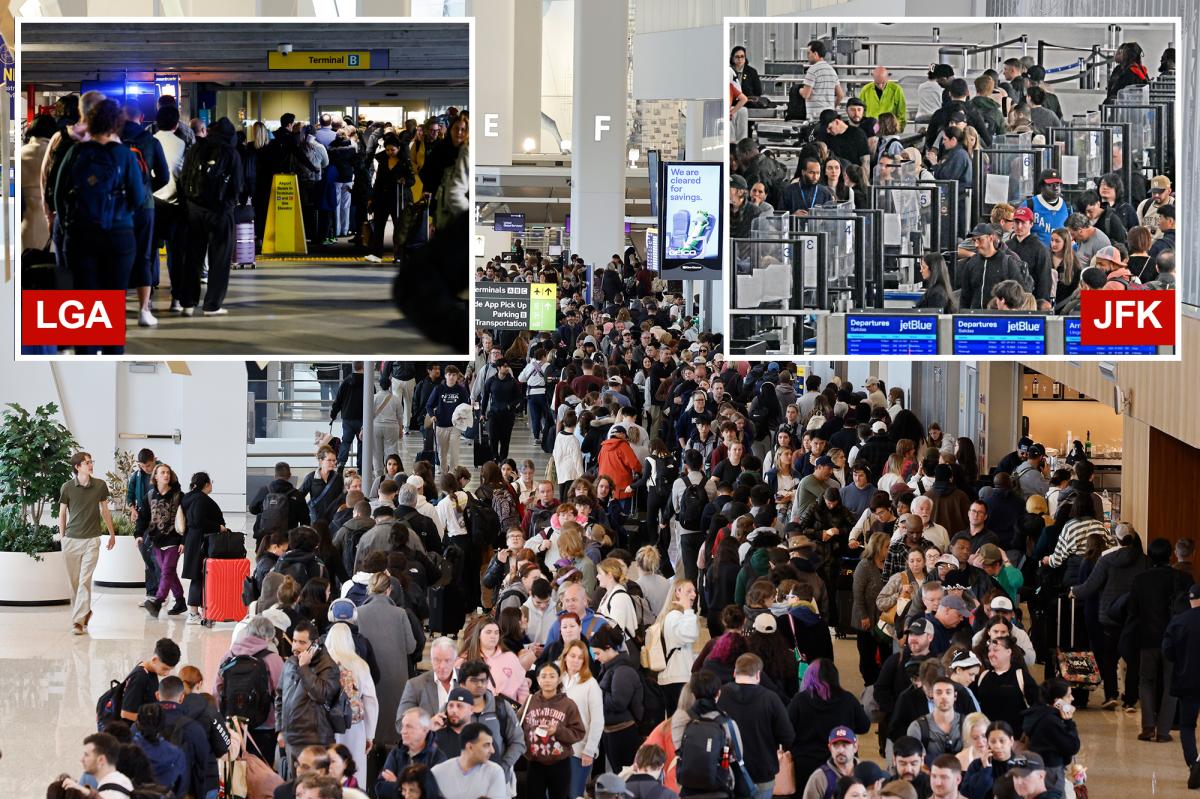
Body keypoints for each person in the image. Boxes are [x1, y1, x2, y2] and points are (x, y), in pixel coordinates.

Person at [53, 98, 147, 351]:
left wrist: (69, 225)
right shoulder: (125, 156)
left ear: (90, 122)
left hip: (81, 236)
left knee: (85, 302)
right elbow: (138, 198)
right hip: (119, 236)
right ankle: (112, 354)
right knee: (113, 300)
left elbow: (58, 195)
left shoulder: (76, 153)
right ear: (117, 124)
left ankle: (86, 355)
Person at [58, 451, 117, 635]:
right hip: (71, 540)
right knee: (74, 583)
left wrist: (112, 533)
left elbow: (105, 511)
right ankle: (85, 613)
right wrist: (63, 537)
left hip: (92, 540)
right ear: (77, 467)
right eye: (87, 463)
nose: (91, 465)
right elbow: (62, 513)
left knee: (84, 581)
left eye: (91, 462)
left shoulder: (100, 485)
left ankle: (77, 622)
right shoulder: (67, 487)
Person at [276, 620, 342, 770]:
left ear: (315, 643)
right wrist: (280, 729)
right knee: (295, 783)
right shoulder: (290, 662)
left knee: (313, 783)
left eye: (302, 642)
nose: (295, 647)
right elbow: (280, 696)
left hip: (315, 741)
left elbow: (322, 695)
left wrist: (304, 668)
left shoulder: (328, 666)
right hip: (291, 739)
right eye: (294, 641)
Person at [521, 662, 586, 799]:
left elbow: (579, 732)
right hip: (534, 762)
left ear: (559, 679)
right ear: (538, 679)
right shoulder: (529, 701)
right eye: (543, 676)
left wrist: (557, 730)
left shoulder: (568, 704)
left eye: (552, 676)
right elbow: (517, 727)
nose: (547, 680)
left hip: (560, 762)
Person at [1163, 583, 1200, 789]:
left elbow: (1167, 651)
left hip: (1188, 681)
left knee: (1187, 725)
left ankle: (1193, 763)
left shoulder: (1179, 621)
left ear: (1191, 600)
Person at [178, 471, 226, 623]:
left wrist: (183, 541)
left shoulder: (188, 498)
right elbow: (199, 521)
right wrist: (218, 527)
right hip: (201, 541)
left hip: (192, 540)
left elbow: (188, 522)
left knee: (198, 575)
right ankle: (193, 613)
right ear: (206, 484)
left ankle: (200, 611)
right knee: (199, 576)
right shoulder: (201, 499)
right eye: (211, 482)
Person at [377, 708, 446, 799]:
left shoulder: (437, 758)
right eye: (403, 726)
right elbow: (380, 789)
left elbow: (432, 794)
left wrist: (397, 784)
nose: (403, 731)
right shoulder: (396, 752)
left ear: (424, 730)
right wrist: (409, 789)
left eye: (409, 726)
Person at [430, 722, 508, 799]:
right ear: (470, 747)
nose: (492, 751)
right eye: (486, 745)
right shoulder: (437, 772)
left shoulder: (495, 771)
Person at [958, 224, 1025, 310]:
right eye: (974, 240)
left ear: (991, 238)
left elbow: (1019, 293)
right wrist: (964, 314)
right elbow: (965, 296)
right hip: (975, 315)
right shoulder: (971, 263)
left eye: (979, 239)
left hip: (999, 315)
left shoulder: (1007, 262)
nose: (976, 244)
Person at [853, 532, 890, 685]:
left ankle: (882, 684)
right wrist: (863, 616)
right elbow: (857, 593)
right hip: (866, 617)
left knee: (886, 654)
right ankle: (869, 685)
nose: (889, 549)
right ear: (878, 547)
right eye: (887, 546)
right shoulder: (864, 565)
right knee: (867, 656)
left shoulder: (888, 564)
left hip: (884, 618)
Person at [907, 673, 964, 764]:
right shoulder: (917, 727)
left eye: (948, 692)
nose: (944, 696)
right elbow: (917, 763)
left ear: (955, 696)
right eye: (938, 692)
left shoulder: (967, 724)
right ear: (932, 695)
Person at [399, 636, 459, 717]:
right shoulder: (415, 685)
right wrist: (428, 723)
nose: (442, 666)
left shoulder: (467, 681)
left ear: (455, 660)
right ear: (431, 659)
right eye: (437, 660)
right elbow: (401, 721)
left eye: (447, 660)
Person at [426, 365, 471, 474]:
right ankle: (444, 473)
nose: (451, 377)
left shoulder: (461, 390)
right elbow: (429, 405)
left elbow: (466, 405)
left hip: (455, 425)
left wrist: (464, 415)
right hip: (441, 425)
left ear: (457, 376)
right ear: (445, 376)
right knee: (442, 453)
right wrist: (432, 416)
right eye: (449, 374)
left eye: (454, 375)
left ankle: (453, 473)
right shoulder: (439, 389)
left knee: (454, 451)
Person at [802, 726, 861, 799]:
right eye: (835, 745)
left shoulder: (867, 773)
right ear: (830, 748)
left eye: (845, 745)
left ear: (855, 747)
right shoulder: (819, 777)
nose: (840, 750)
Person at [800, 40, 844, 117]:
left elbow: (806, 95)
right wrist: (832, 107)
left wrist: (799, 90)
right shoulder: (831, 70)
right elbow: (840, 95)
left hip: (815, 116)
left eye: (809, 53)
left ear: (815, 54)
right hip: (829, 116)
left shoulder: (812, 70)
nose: (807, 56)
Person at [1025, 170, 1069, 248]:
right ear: (1041, 187)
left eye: (1058, 184)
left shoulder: (1066, 206)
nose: (1055, 188)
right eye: (1050, 185)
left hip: (1059, 253)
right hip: (1035, 252)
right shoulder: (1029, 205)